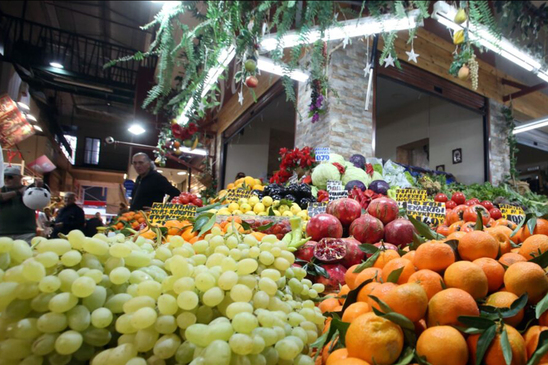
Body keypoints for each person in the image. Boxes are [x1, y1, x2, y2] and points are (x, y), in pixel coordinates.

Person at [0, 166, 41, 244]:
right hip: (3, 232)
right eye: (4, 177)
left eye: (10, 177)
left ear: (20, 178)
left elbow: (41, 198)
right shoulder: (2, 189)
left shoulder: (29, 190)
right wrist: (18, 192)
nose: (6, 179)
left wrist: (40, 186)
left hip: (26, 233)